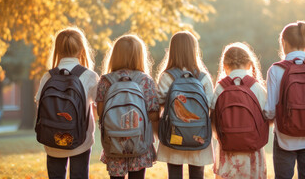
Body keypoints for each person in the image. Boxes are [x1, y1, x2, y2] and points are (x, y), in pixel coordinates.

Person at [263, 21, 305, 179]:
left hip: (285, 137)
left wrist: (266, 118)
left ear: (283, 43)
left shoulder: (276, 70)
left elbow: (270, 110)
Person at [34, 27, 99, 179]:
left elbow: (40, 107)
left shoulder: (48, 76)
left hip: (52, 140)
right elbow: (99, 106)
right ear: (82, 49)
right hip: (81, 141)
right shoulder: (89, 76)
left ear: (57, 49)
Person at [96, 34, 160, 179]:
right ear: (139, 56)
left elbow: (101, 113)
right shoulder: (145, 81)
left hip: (113, 143)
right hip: (139, 143)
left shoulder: (105, 81)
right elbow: (153, 114)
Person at [155, 31, 214, 179]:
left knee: (174, 173)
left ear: (172, 50)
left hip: (173, 132)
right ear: (194, 50)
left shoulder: (167, 76)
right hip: (198, 134)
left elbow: (160, 101)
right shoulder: (203, 77)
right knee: (197, 174)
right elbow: (210, 103)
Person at [212, 42, 268, 179]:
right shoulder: (256, 87)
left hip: (228, 148)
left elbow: (213, 118)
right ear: (249, 64)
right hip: (252, 149)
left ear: (224, 66)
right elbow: (267, 115)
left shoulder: (220, 87)